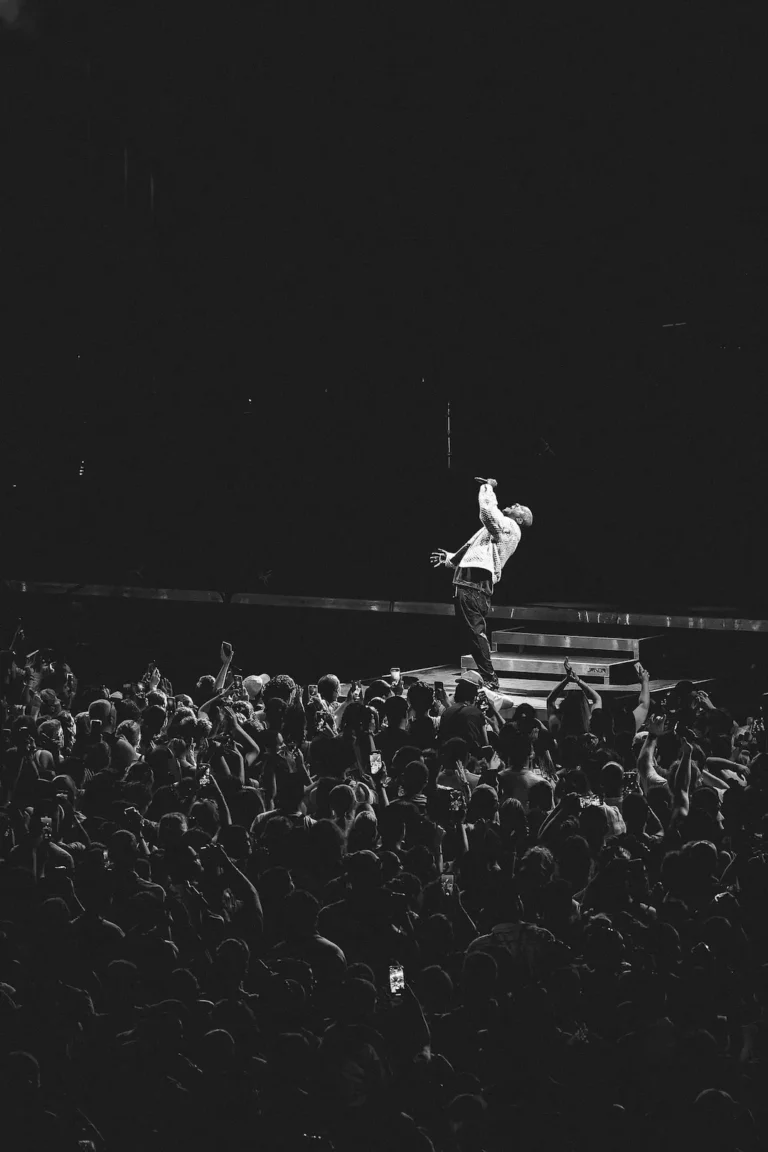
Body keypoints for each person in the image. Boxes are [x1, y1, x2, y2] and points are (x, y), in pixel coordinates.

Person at [430, 477, 533, 691]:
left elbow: (487, 512)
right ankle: (486, 677)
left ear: (520, 519)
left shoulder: (511, 527)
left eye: (519, 508)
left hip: (474, 584)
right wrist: (449, 559)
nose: (514, 505)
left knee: (475, 634)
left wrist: (488, 487)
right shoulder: (497, 530)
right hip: (468, 582)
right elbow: (472, 549)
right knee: (471, 634)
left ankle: (490, 678)